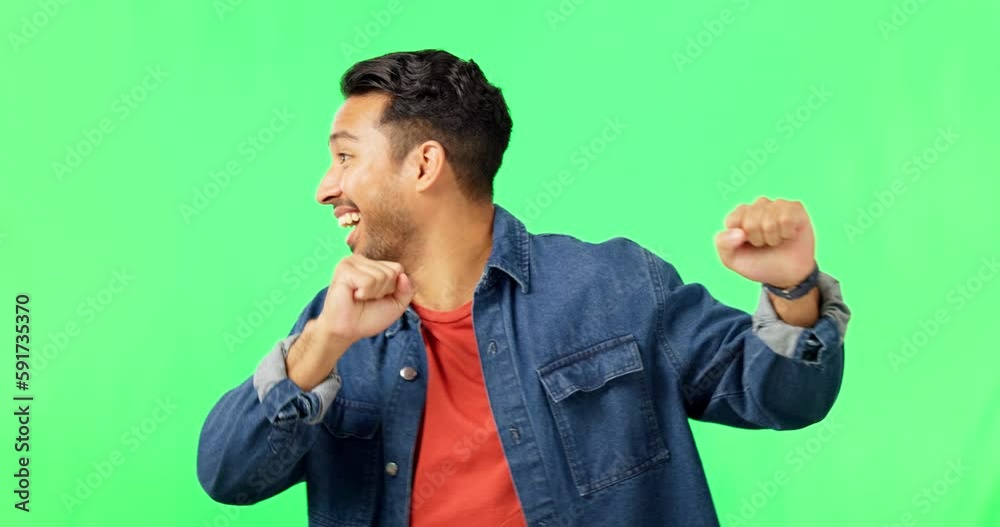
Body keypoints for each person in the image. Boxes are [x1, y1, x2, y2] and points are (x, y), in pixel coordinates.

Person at [196, 49, 851, 527]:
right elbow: (226, 474)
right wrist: (322, 343)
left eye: (344, 157)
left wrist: (794, 287)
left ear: (424, 164)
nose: (324, 187)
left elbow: (788, 399)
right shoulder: (335, 328)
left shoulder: (616, 287)